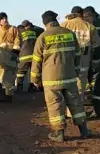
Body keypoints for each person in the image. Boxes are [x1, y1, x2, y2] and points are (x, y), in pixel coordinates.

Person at [30, 10, 91, 142]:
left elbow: (36, 60)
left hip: (51, 80)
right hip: (69, 76)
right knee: (75, 102)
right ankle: (84, 130)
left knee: (55, 105)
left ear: (45, 23)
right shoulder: (69, 33)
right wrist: (75, 70)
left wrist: (35, 79)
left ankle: (59, 133)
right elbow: (77, 55)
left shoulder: (43, 37)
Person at [61, 6, 100, 101]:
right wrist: (95, 61)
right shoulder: (89, 26)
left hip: (65, 60)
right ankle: (77, 110)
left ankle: (66, 110)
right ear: (82, 14)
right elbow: (97, 46)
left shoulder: (63, 25)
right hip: (83, 61)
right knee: (80, 85)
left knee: (65, 83)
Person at [0, 12, 21, 102]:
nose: (5, 20)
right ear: (0, 21)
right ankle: (5, 95)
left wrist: (15, 51)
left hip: (11, 55)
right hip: (1, 57)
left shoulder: (13, 29)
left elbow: (18, 40)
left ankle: (9, 96)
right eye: (2, 19)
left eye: (6, 18)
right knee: (2, 76)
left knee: (10, 75)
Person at [16, 20, 43, 92]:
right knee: (34, 72)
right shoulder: (35, 31)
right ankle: (33, 87)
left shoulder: (19, 32)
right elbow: (41, 29)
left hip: (24, 56)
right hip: (34, 56)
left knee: (20, 73)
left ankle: (19, 87)